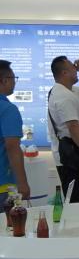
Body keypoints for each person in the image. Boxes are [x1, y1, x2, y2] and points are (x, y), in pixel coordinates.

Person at [47, 56, 79, 203]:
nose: (76, 69)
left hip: (75, 152)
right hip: (71, 156)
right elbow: (73, 126)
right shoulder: (63, 96)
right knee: (76, 200)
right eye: (73, 68)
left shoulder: (69, 90)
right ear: (64, 73)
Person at [0, 60, 30, 204]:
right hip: (3, 185)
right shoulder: (8, 109)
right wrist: (22, 184)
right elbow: (12, 147)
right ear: (4, 80)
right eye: (14, 78)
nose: (14, 82)